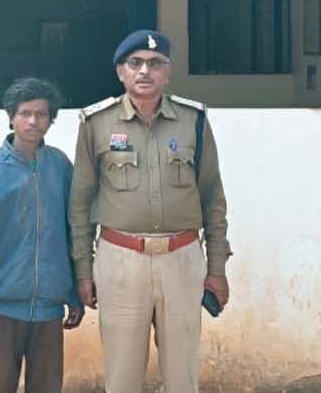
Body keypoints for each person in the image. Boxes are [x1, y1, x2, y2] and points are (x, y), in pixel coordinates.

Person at [68, 30, 230, 393]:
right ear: (120, 71)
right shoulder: (97, 123)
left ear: (167, 72)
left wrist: (217, 268)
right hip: (120, 260)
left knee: (182, 377)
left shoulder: (193, 120)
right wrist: (83, 269)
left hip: (182, 259)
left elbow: (212, 198)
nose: (145, 71)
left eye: (155, 63)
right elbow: (80, 203)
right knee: (122, 377)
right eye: (135, 63)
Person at [0, 77, 85, 393]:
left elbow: (73, 232)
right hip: (0, 306)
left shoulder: (60, 166)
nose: (33, 121)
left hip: (49, 307)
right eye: (25, 113)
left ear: (51, 120)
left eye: (41, 114)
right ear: (11, 117)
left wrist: (74, 293)